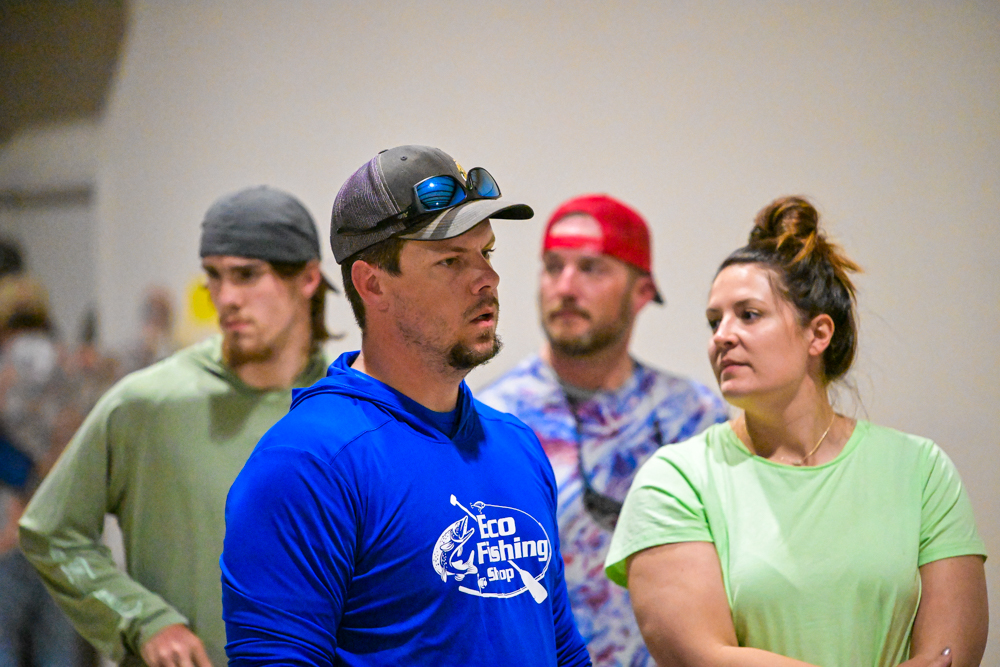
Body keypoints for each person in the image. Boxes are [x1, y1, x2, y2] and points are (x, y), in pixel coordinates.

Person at [221, 145, 592, 666]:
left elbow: (560, 646)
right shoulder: (308, 462)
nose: (487, 279)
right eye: (450, 261)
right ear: (372, 284)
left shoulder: (516, 444)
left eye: (486, 253)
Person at [605, 196, 988, 667]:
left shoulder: (920, 469)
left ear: (818, 334)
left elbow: (949, 656)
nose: (722, 336)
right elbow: (701, 657)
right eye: (714, 321)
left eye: (748, 314)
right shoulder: (676, 479)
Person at [19, 185, 337, 667]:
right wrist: (141, 619)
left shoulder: (350, 410)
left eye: (247, 275)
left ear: (309, 278)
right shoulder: (147, 404)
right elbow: (50, 531)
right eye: (214, 276)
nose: (226, 298)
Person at [478, 194, 728, 666]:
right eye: (553, 267)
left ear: (642, 292)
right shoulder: (491, 422)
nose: (566, 287)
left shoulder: (694, 417)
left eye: (592, 268)